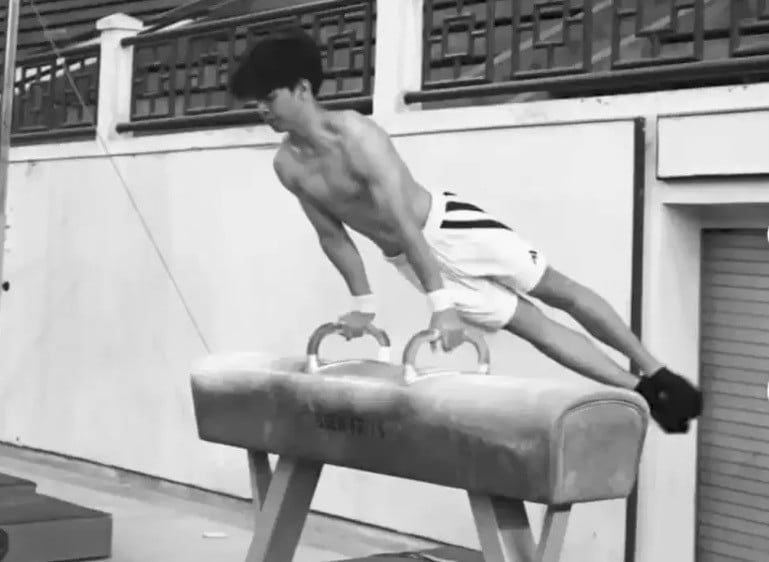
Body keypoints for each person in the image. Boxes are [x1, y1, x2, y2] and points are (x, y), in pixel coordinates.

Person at [228, 28, 703, 434]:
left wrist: (442, 307)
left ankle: (656, 369)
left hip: (450, 227)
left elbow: (401, 220)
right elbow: (333, 237)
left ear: (303, 89)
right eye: (257, 104)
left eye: (269, 99)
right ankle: (642, 390)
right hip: (408, 259)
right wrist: (363, 305)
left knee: (558, 292)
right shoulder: (287, 165)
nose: (262, 111)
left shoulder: (357, 135)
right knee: (532, 327)